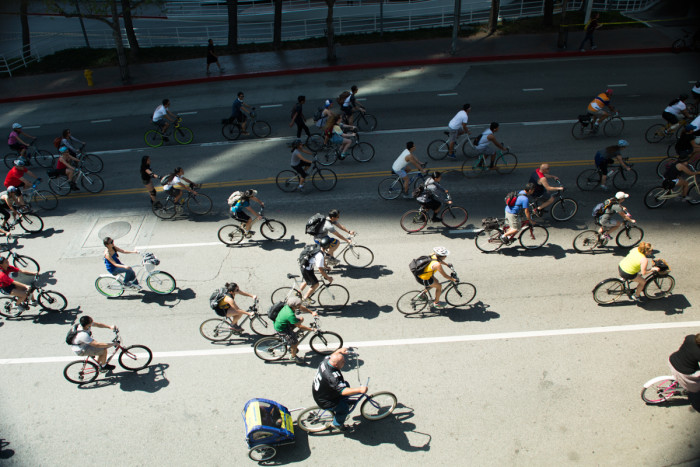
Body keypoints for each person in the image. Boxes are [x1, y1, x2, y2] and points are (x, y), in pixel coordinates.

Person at [312, 347, 368, 431]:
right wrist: (360, 390)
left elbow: (332, 355)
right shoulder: (333, 377)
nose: (345, 362)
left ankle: (342, 403)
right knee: (344, 409)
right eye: (342, 362)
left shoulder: (326, 361)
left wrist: (339, 351)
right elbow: (343, 391)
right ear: (335, 365)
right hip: (326, 400)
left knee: (346, 384)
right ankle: (337, 424)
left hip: (320, 390)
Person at [273, 296, 316, 363]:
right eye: (298, 304)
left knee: (301, 319)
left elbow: (301, 308)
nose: (300, 305)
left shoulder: (288, 306)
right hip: (282, 329)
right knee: (294, 343)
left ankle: (292, 337)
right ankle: (293, 357)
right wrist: (311, 329)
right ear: (294, 306)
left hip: (283, 323)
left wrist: (311, 312)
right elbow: (299, 326)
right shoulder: (290, 315)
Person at [299, 237, 334, 302]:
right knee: (316, 284)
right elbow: (320, 270)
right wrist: (328, 278)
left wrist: (326, 266)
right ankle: (304, 299)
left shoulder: (318, 248)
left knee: (307, 280)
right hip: (307, 270)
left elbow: (322, 261)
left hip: (304, 265)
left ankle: (298, 292)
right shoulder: (320, 255)